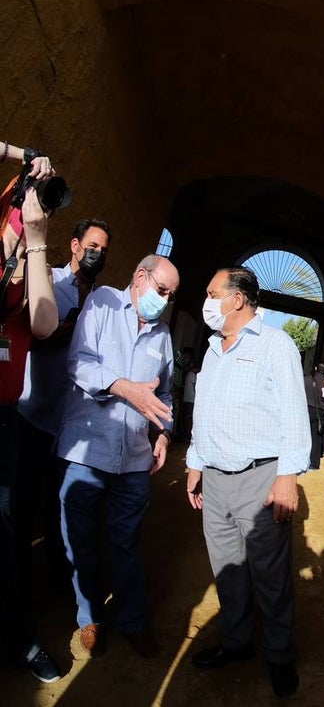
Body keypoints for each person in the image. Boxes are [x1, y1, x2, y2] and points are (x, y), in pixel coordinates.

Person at [185, 266, 310, 698]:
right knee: (228, 571)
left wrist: (287, 478)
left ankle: (279, 655)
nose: (207, 301)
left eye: (212, 292)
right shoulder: (213, 350)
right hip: (215, 479)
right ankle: (237, 643)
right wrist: (195, 462)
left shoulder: (276, 345)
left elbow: (295, 415)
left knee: (270, 575)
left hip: (259, 478)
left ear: (236, 299)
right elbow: (203, 410)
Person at [56, 254, 178, 660]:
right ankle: (89, 618)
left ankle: (132, 621)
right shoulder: (103, 303)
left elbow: (164, 396)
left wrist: (164, 435)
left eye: (171, 295)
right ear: (139, 276)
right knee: (82, 542)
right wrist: (125, 387)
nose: (165, 300)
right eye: (162, 290)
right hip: (86, 451)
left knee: (127, 542)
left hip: (135, 459)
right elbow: (79, 363)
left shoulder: (163, 335)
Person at [18, 218, 111, 588]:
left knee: (63, 509)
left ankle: (60, 579)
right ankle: (17, 581)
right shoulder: (51, 281)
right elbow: (33, 336)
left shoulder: (104, 301)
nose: (98, 254)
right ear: (74, 246)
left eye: (104, 250)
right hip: (33, 416)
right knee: (22, 507)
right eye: (92, 247)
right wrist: (69, 330)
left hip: (73, 427)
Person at [0, 144, 62, 683]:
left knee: (10, 538)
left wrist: (37, 245)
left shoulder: (26, 265)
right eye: (22, 213)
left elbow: (43, 325)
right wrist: (20, 153)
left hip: (3, 423)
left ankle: (19, 640)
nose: (27, 222)